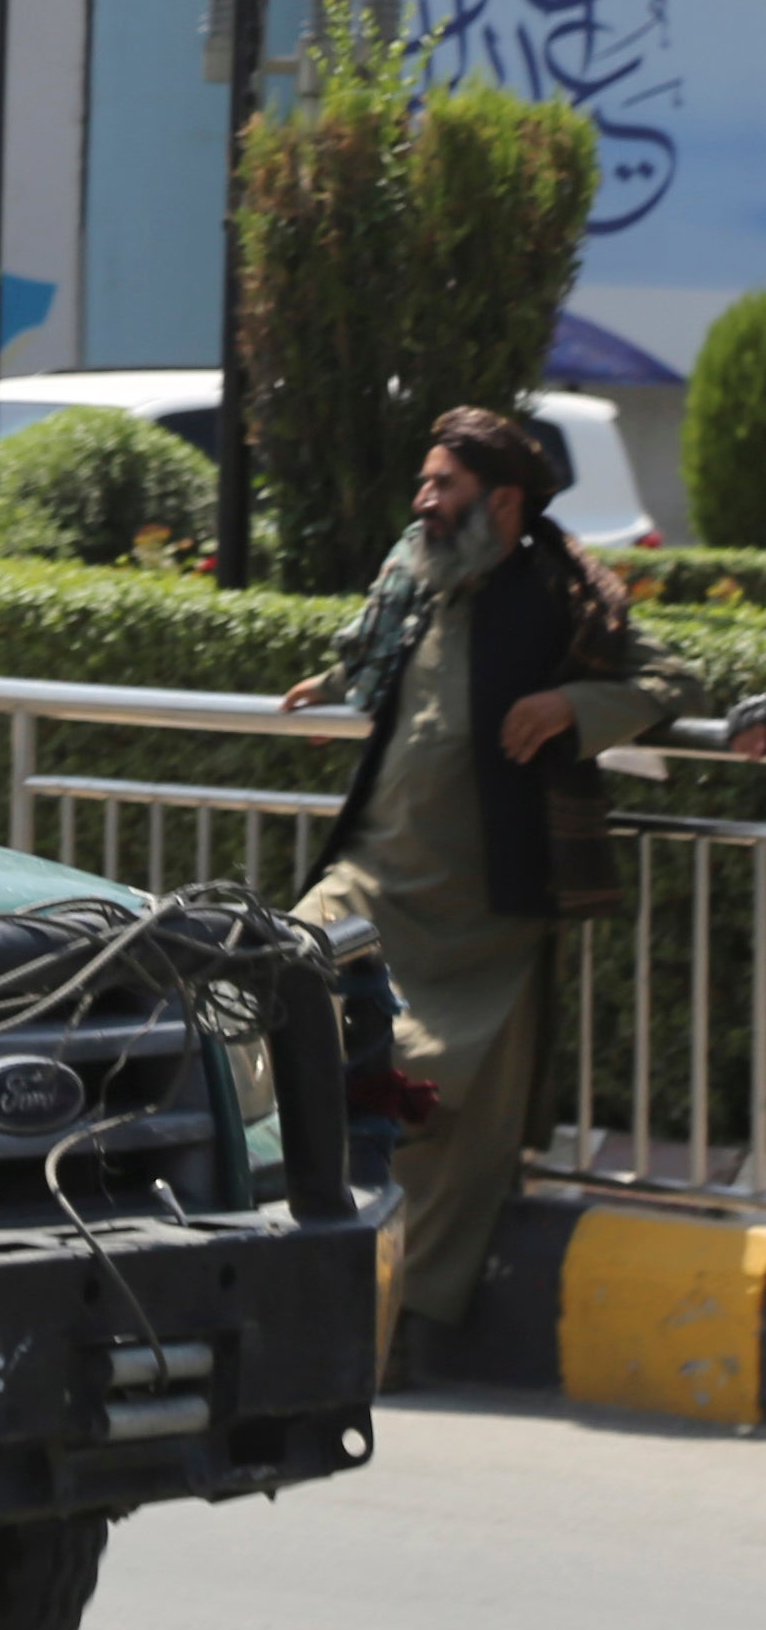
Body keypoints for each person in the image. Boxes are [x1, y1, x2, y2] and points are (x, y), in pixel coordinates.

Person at [279, 408, 700, 1382]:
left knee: (446, 1131)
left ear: (501, 500)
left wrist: (569, 706)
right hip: (367, 883)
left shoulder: (560, 593)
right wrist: (334, 679)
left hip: (483, 916)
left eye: (443, 486)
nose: (422, 502)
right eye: (423, 483)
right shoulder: (416, 582)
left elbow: (667, 676)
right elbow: (378, 659)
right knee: (280, 986)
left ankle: (393, 1333)